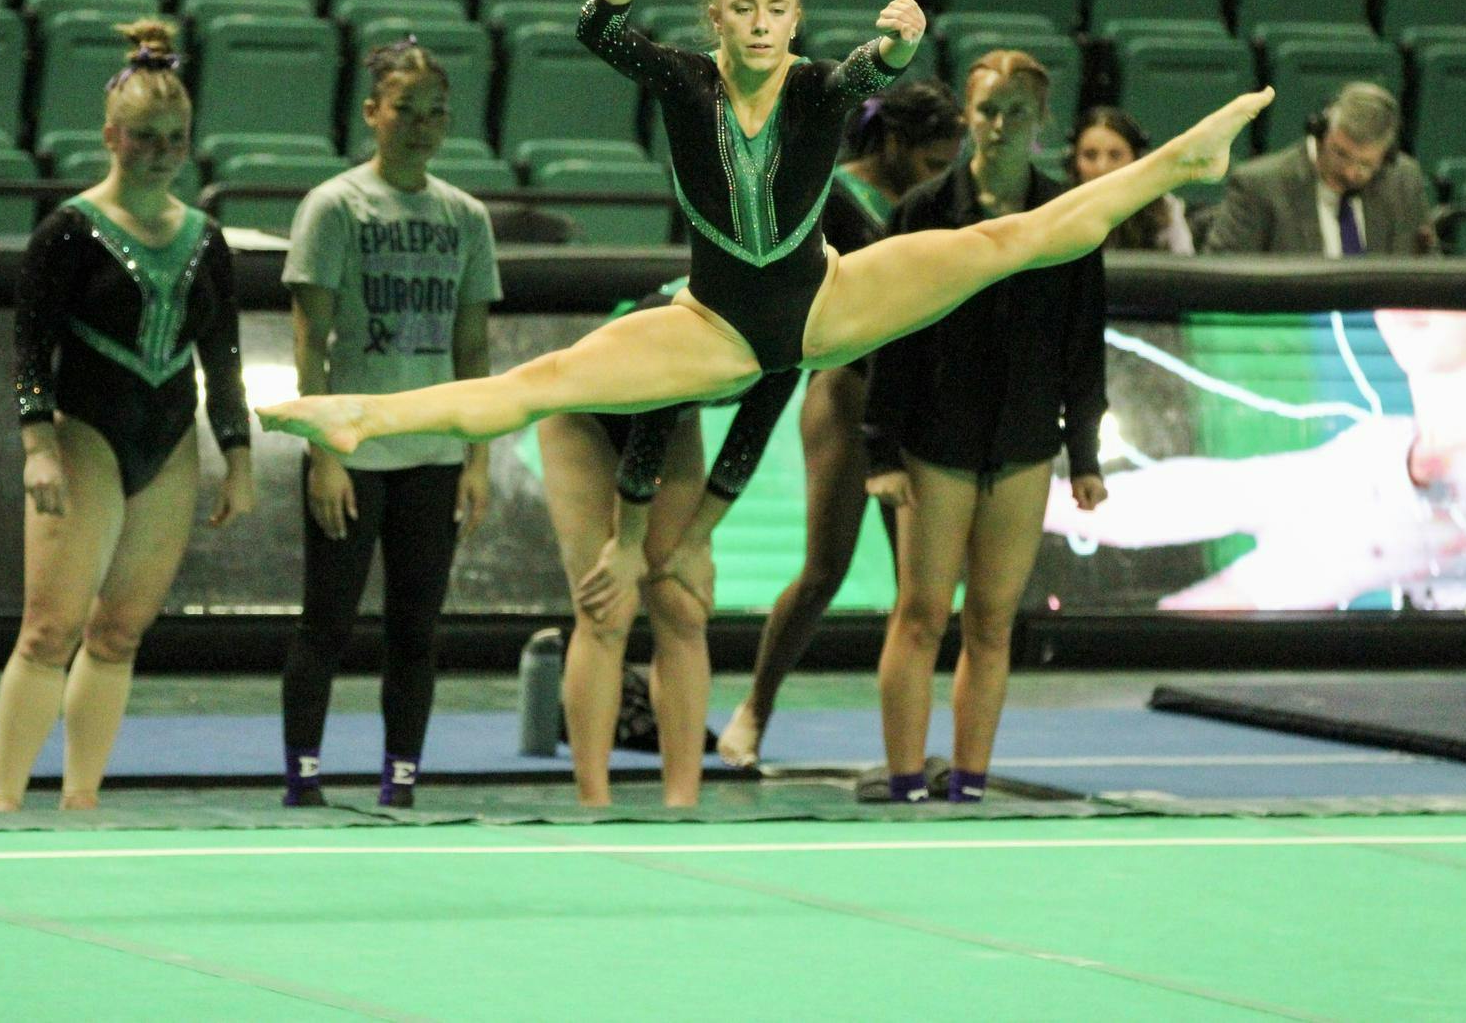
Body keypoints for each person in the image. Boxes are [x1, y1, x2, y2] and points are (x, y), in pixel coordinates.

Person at [255, 0, 1273, 499]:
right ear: (713, 17)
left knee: (1007, 239)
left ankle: (1181, 160)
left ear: (795, 19)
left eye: (774, 9)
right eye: (739, 8)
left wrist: (904, 38)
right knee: (546, 379)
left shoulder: (820, 87)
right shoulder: (684, 83)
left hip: (826, 301)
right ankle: (361, 413)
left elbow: (876, 64)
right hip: (713, 325)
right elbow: (595, 34)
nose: (757, 23)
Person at [0, 21, 255, 812]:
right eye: (145, 136)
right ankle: (3, 802)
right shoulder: (69, 230)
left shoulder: (206, 238)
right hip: (86, 436)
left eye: (175, 138)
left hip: (170, 438)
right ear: (111, 136)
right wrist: (38, 443)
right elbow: (30, 346)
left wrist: (237, 455)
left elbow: (224, 355)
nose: (162, 150)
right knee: (50, 629)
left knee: (119, 634)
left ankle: (81, 798)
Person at [863, 50, 1109, 804]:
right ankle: (906, 778)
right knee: (922, 611)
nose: (999, 127)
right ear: (968, 116)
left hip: (1026, 444)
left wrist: (1085, 455)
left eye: (1017, 114)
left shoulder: (1070, 217)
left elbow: (1082, 343)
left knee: (994, 619)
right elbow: (891, 334)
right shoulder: (921, 213)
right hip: (936, 442)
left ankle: (967, 779)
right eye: (988, 111)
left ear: (1042, 126)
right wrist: (882, 447)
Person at [279, 39, 500, 809]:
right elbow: (310, 342)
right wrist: (323, 454)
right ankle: (303, 776)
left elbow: (473, 346)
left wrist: (478, 457)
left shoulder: (466, 217)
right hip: (354, 451)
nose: (422, 125)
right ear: (373, 113)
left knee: (416, 628)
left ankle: (400, 779)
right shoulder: (334, 206)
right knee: (328, 622)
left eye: (436, 112)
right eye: (406, 109)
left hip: (435, 455)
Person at [716, 79, 963, 768]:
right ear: (890, 141)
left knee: (925, 588)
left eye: (949, 163)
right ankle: (754, 710)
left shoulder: (944, 199)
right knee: (825, 569)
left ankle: (908, 744)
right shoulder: (832, 196)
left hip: (918, 397)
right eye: (930, 161)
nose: (940, 175)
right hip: (851, 393)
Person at [1045, 308, 1466, 613]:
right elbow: (1229, 491)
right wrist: (1041, 499)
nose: (1411, 310)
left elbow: (1306, 568)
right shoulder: (1382, 445)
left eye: (1438, 291)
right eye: (1399, 293)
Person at [541, 284, 800, 805]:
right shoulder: (680, 329)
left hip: (670, 423)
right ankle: (594, 802)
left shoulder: (794, 340)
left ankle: (682, 803)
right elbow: (643, 455)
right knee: (606, 609)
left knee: (682, 607)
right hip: (578, 412)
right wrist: (627, 549)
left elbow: (745, 447)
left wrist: (695, 546)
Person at [1203, 81, 1432, 257]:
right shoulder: (1260, 185)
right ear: (1320, 132)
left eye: (1366, 164)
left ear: (1387, 156)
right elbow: (1221, 277)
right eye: (1341, 154)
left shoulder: (1403, 180)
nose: (1350, 173)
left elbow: (1427, 272)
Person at [1067, 106, 1194, 254]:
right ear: (1074, 162)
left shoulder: (1163, 209)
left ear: (1136, 160)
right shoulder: (1056, 211)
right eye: (1090, 155)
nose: (1102, 167)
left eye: (1115, 155)